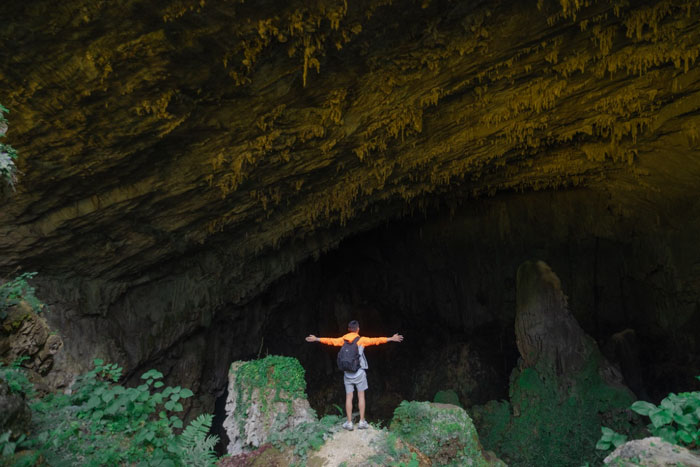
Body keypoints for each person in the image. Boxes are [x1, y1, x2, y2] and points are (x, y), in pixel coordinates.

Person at [305, 320, 403, 430]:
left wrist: (316, 339)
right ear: (358, 329)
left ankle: (349, 422)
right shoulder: (362, 340)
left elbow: (330, 341)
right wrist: (391, 338)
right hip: (359, 373)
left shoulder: (343, 340)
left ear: (348, 330)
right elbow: (377, 340)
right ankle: (362, 422)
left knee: (349, 397)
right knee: (361, 396)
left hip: (347, 374)